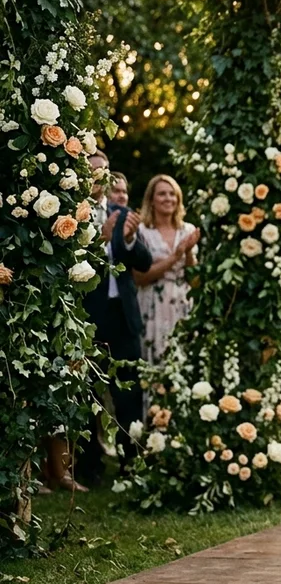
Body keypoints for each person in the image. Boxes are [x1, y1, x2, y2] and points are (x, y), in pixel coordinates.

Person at [81, 163, 154, 473]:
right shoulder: (74, 213)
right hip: (90, 316)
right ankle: (90, 465)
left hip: (124, 317)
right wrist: (101, 239)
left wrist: (126, 240)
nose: (101, 175)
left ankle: (131, 460)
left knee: (129, 393)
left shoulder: (122, 212)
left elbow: (146, 262)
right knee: (88, 395)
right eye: (94, 170)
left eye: (105, 170)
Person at [134, 174, 200, 368]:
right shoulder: (142, 231)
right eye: (162, 194)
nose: (168, 198)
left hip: (182, 302)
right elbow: (139, 277)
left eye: (172, 194)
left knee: (183, 362)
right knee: (155, 365)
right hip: (152, 304)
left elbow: (194, 280)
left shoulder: (187, 230)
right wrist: (174, 256)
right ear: (151, 200)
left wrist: (187, 253)